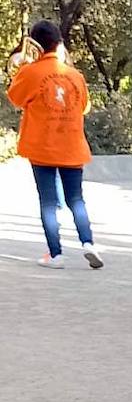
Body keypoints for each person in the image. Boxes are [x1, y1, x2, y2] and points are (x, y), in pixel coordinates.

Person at [7, 20, 102, 270]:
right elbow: (84, 107)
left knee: (48, 202)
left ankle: (56, 254)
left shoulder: (30, 72)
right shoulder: (75, 75)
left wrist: (23, 70)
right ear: (59, 43)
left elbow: (15, 98)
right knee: (76, 199)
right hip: (72, 145)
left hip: (42, 147)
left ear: (35, 44)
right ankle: (88, 242)